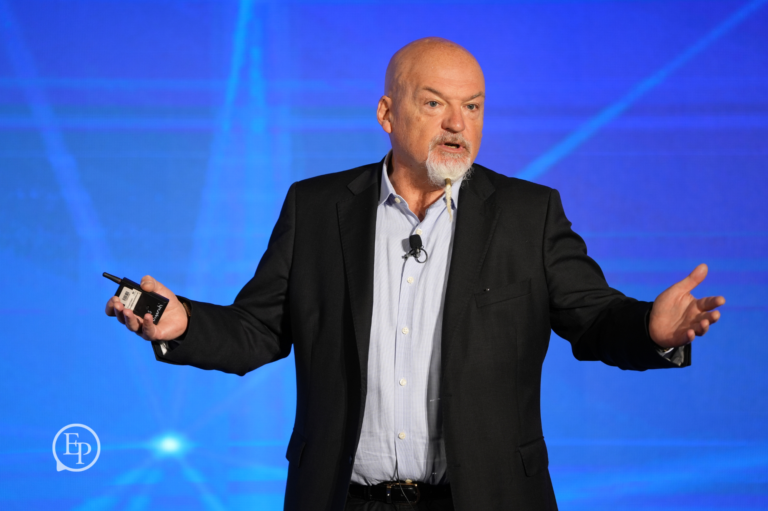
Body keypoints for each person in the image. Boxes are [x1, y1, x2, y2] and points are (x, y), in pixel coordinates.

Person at [105, 38, 725, 511]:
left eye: (473, 106)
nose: (458, 123)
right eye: (434, 103)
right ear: (387, 113)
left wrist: (651, 329)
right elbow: (259, 330)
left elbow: (595, 319)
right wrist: (183, 324)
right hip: (342, 498)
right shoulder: (315, 208)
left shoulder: (528, 215)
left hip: (484, 499)